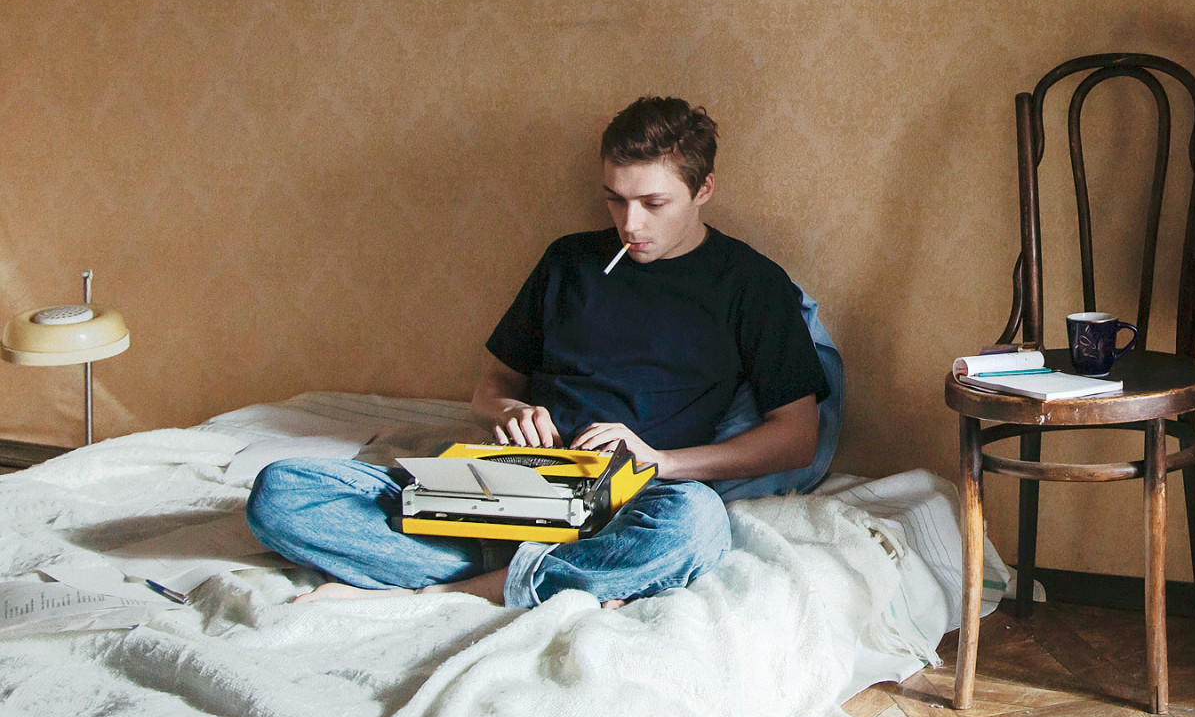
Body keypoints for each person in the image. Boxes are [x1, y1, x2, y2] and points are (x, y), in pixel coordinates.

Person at [245, 97, 835, 608]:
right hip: (519, 480)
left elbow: (796, 438)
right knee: (280, 492)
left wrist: (660, 461)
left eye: (653, 204)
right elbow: (492, 386)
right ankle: (544, 574)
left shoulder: (752, 284)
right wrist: (510, 411)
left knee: (696, 528)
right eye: (615, 200)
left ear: (703, 189)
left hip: (637, 493)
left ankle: (446, 592)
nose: (630, 224)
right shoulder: (568, 261)